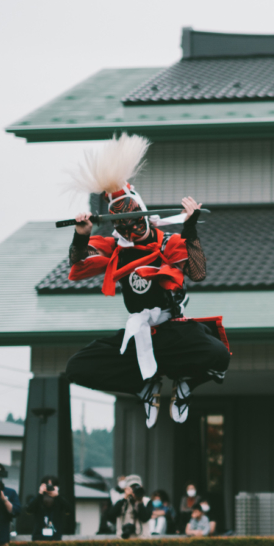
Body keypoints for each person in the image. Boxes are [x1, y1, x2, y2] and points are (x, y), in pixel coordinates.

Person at [64, 134, 231, 428]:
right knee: (77, 367)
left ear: (145, 214)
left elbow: (197, 273)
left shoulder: (169, 242)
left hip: (174, 332)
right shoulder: (114, 248)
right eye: (124, 227)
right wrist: (81, 234)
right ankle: (143, 386)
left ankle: (184, 384)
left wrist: (191, 230)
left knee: (218, 354)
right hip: (140, 331)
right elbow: (78, 264)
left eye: (136, 222)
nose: (132, 231)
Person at [26, 475, 73, 542]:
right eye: (47, 485)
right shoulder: (38, 499)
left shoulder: (59, 500)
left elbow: (69, 510)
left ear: (57, 487)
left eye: (52, 486)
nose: (49, 487)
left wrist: (57, 496)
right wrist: (40, 494)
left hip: (55, 538)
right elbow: (28, 510)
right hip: (38, 538)